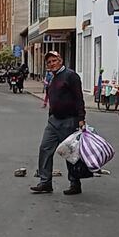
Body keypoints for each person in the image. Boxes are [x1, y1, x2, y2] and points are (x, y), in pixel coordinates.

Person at [30, 51, 86, 196]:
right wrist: (50, 115)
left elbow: (79, 97)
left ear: (60, 60)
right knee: (45, 148)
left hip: (69, 120)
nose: (51, 64)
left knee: (70, 152)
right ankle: (45, 182)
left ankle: (75, 183)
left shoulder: (71, 76)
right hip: (54, 121)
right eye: (49, 62)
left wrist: (81, 118)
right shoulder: (53, 78)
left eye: (54, 60)